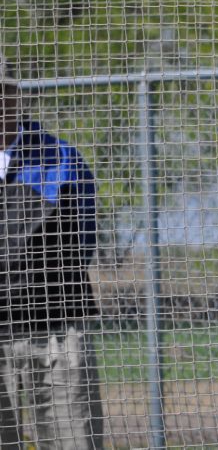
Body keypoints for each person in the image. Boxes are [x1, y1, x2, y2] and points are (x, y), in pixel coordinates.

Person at [0, 58, 104, 448]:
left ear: (17, 96)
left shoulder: (59, 157)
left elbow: (85, 238)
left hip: (56, 326)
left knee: (72, 437)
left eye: (5, 91)